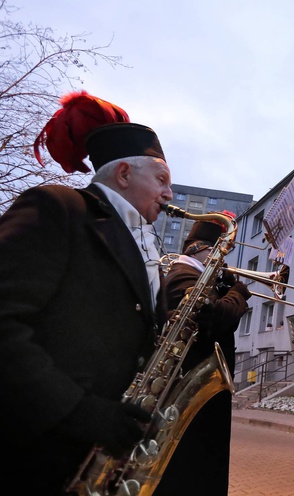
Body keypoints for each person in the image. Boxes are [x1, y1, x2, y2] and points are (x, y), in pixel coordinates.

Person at [0, 91, 172, 494]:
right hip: (37, 453)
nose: (168, 195)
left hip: (98, 458)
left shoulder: (145, 242)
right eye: (162, 180)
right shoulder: (57, 205)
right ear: (124, 174)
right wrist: (76, 410)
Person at [153, 216, 251, 496]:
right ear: (199, 248)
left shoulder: (197, 275)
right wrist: (237, 292)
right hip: (191, 389)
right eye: (218, 253)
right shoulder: (182, 274)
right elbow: (215, 317)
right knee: (194, 471)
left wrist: (225, 288)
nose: (221, 260)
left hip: (203, 390)